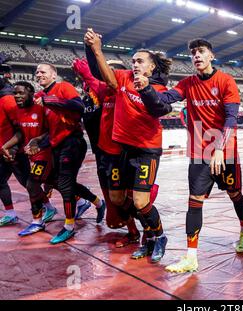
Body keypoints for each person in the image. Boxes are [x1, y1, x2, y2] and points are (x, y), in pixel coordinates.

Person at [136, 38, 243, 273]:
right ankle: (191, 257)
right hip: (199, 154)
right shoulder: (188, 84)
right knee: (194, 203)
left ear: (211, 56)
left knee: (234, 194)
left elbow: (231, 119)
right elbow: (165, 99)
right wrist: (147, 87)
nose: (196, 55)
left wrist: (219, 149)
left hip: (224, 152)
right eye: (193, 53)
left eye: (201, 51)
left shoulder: (226, 81)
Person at [84, 28, 171, 262]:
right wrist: (95, 49)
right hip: (123, 150)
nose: (134, 64)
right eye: (133, 61)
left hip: (146, 152)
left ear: (152, 67)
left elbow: (160, 109)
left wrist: (146, 89)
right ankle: (147, 237)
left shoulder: (159, 89)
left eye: (140, 61)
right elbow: (103, 76)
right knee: (118, 198)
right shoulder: (123, 78)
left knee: (141, 201)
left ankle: (158, 236)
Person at [72, 57, 141, 248]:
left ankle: (147, 229)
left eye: (109, 70)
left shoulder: (120, 92)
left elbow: (96, 81)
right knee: (114, 201)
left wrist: (89, 69)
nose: (103, 73)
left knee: (128, 198)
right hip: (102, 152)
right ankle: (132, 229)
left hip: (120, 152)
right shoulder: (94, 94)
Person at [34, 63, 105, 244]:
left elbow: (78, 106)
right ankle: (97, 202)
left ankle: (69, 226)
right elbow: (52, 128)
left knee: (65, 184)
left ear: (53, 75)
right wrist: (38, 144)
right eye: (36, 72)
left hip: (73, 142)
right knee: (61, 182)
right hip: (57, 145)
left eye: (43, 71)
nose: (38, 74)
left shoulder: (63, 87)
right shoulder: (40, 96)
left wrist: (50, 101)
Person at [1, 81, 58, 235]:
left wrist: (34, 141)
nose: (17, 96)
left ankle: (40, 219)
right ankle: (91, 202)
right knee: (49, 183)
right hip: (21, 153)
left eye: (20, 93)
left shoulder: (38, 108)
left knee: (32, 184)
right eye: (16, 93)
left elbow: (50, 129)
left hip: (35, 153)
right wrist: (5, 146)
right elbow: (19, 129)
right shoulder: (14, 106)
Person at [0, 76, 29, 226]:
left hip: (12, 151)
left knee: (28, 182)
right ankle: (10, 213)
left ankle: (47, 206)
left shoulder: (8, 99)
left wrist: (14, 148)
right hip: (2, 150)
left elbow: (20, 127)